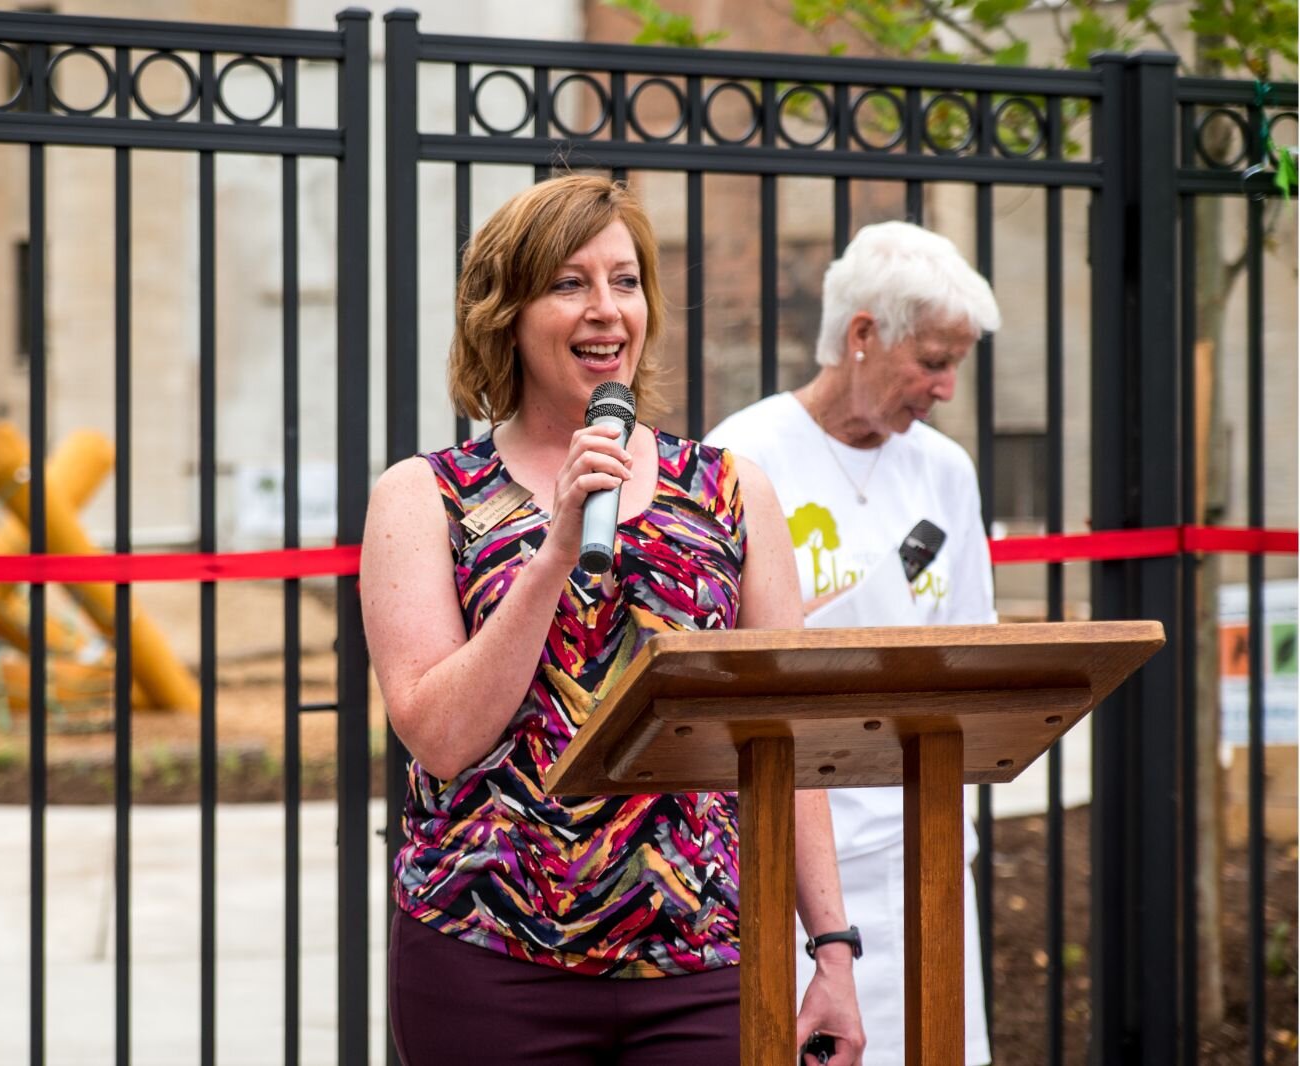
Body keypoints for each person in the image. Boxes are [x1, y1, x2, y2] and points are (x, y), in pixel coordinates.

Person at [361, 175, 866, 1066]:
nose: (607, 311)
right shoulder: (424, 497)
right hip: (488, 962)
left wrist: (831, 948)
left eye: (625, 282)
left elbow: (783, 737)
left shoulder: (731, 492)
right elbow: (439, 738)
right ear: (505, 313)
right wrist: (554, 550)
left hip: (703, 962)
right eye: (569, 283)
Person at [704, 220, 1002, 1066]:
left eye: (957, 364)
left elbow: (975, 650)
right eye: (934, 360)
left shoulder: (946, 471)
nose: (945, 388)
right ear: (863, 336)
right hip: (796, 865)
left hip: (930, 854)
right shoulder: (744, 455)